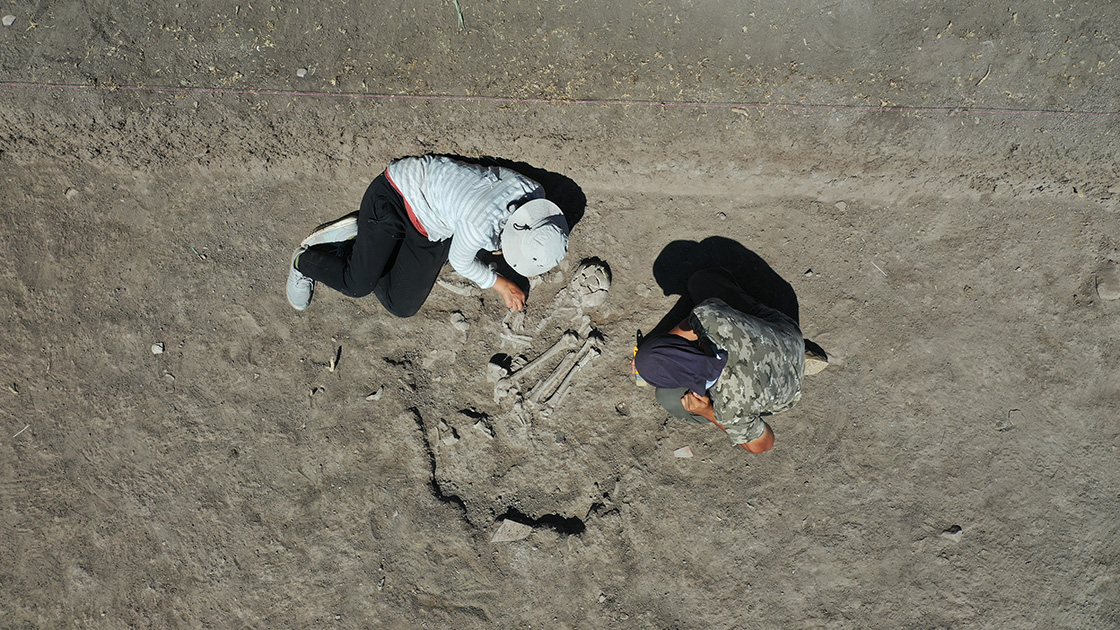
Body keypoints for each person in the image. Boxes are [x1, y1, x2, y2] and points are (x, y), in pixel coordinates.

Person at [286, 155, 570, 317]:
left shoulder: (533, 191)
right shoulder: (479, 224)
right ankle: (307, 260)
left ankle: (367, 245)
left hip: (434, 223)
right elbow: (462, 262)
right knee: (357, 283)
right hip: (395, 197)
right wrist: (502, 285)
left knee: (402, 305)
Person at [633, 267, 827, 453]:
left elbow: (764, 444)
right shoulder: (708, 318)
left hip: (786, 390)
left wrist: (708, 411)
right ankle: (791, 353)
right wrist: (657, 351)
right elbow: (691, 323)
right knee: (701, 281)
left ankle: (787, 372)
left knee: (667, 397)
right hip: (787, 334)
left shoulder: (730, 405)